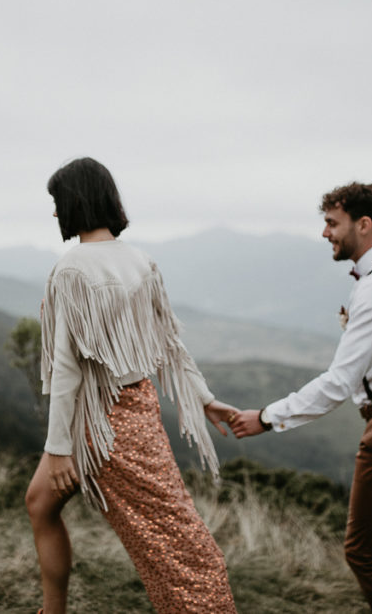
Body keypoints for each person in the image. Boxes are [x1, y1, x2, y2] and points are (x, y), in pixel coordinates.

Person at [229, 182, 372, 614]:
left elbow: (339, 383)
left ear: (364, 224)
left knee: (364, 553)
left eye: (331, 223)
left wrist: (265, 417)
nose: (325, 233)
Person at [25, 157, 239, 614]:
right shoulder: (141, 260)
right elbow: (171, 343)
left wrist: (59, 446)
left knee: (169, 546)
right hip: (135, 409)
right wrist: (203, 399)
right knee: (40, 502)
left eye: (56, 203)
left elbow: (66, 370)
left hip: (98, 422)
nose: (55, 213)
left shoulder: (72, 270)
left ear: (73, 203)